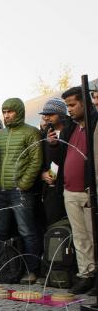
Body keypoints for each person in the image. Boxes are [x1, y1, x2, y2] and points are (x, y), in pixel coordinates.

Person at [46, 87, 98, 294]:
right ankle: (86, 274)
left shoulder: (94, 124)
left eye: (72, 105)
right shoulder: (70, 128)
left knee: (94, 235)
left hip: (88, 190)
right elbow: (61, 160)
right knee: (80, 237)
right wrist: (53, 145)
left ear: (85, 103)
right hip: (70, 190)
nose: (69, 110)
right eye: (67, 106)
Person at [0, 98, 43, 284]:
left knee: (27, 231)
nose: (6, 115)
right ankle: (3, 269)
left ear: (19, 111)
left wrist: (23, 184)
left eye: (10, 111)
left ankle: (32, 270)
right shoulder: (0, 135)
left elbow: (35, 160)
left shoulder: (32, 132)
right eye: (4, 111)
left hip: (20, 191)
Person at [38, 99, 70, 226]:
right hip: (51, 189)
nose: (46, 117)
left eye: (50, 114)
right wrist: (42, 174)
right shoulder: (45, 134)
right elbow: (41, 159)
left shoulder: (71, 129)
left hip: (69, 185)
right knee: (55, 225)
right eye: (45, 114)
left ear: (61, 113)